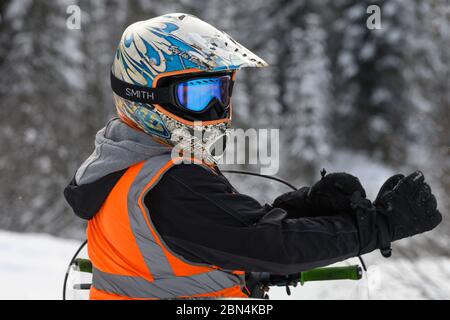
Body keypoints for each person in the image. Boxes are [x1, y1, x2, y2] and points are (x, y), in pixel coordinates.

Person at [64, 13, 442, 300]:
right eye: (198, 96)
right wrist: (380, 225)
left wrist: (306, 206)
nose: (216, 109)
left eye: (221, 92)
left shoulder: (123, 166)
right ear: (146, 96)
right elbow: (272, 245)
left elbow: (218, 235)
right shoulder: (166, 182)